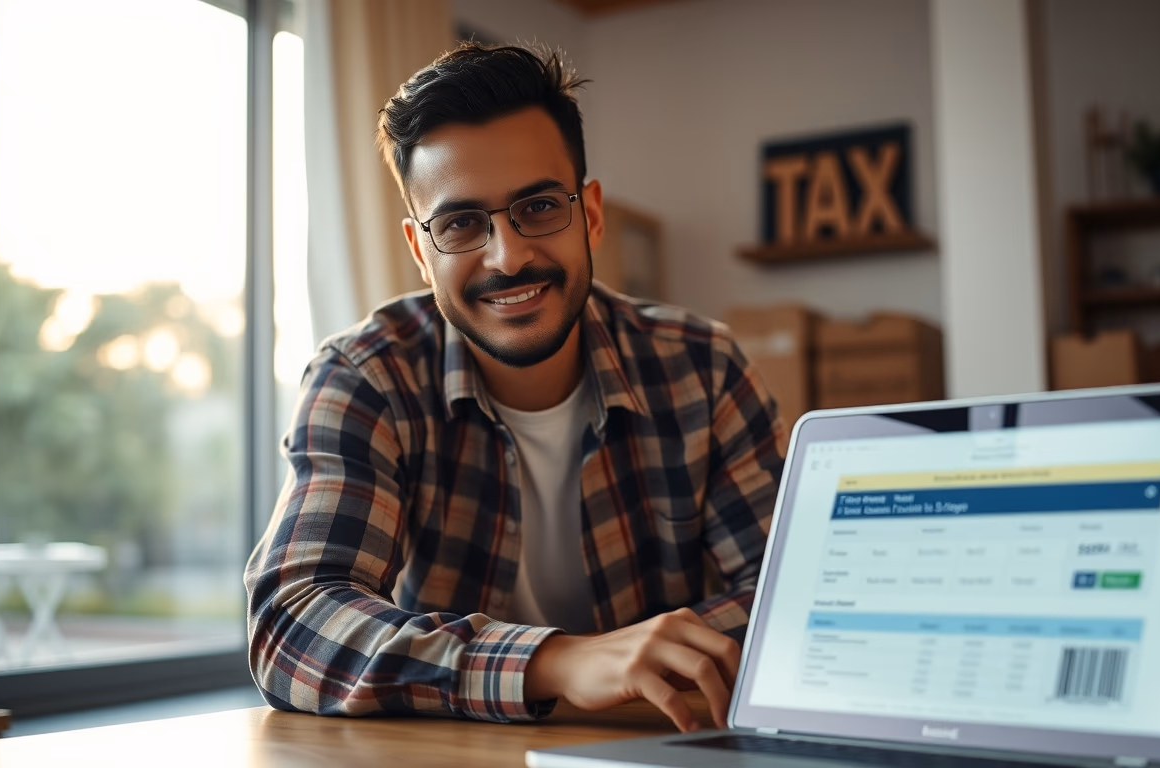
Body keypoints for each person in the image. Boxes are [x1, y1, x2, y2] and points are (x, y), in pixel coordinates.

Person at [244, 42, 786, 734]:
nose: (508, 256)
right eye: (461, 223)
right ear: (420, 250)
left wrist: (655, 655)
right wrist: (556, 662)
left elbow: (796, 598)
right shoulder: (367, 377)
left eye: (537, 207)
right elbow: (291, 623)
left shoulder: (702, 367)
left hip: (646, 742)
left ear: (590, 214)